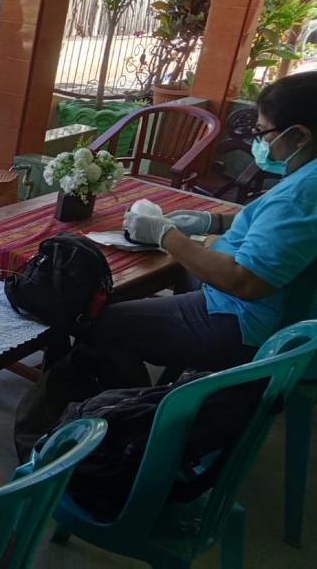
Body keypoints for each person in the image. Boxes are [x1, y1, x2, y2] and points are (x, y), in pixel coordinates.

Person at [107, 71, 317, 383]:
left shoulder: (302, 194)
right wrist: (213, 221)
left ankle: (136, 408)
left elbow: (245, 282)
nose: (260, 142)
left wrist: (165, 234)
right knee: (185, 273)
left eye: (263, 133)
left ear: (299, 136)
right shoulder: (307, 177)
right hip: (269, 310)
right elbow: (276, 226)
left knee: (109, 324)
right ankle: (179, 370)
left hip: (245, 322)